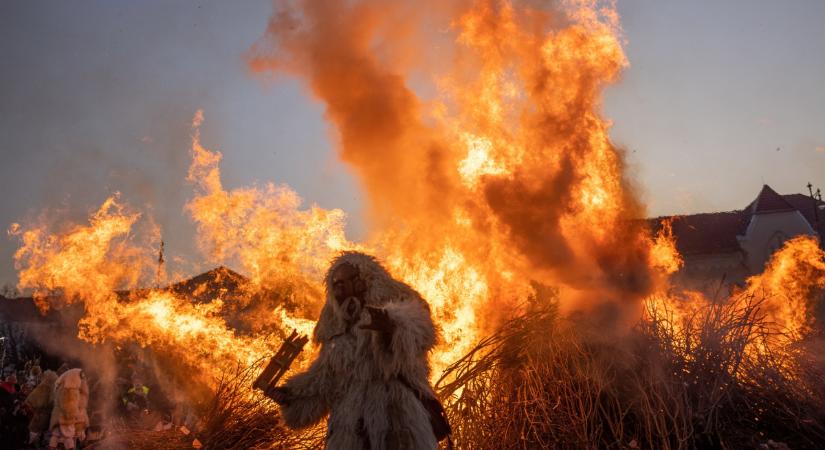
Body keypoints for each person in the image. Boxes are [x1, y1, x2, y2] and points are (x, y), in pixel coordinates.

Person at [271, 251, 444, 449]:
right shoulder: (335, 336)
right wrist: (292, 396)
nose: (347, 289)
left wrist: (392, 326)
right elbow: (324, 381)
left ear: (368, 279)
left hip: (398, 421)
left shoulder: (398, 303)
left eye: (353, 280)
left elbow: (420, 334)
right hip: (349, 430)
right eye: (339, 285)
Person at [49, 368, 89, 450]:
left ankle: (52, 447)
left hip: (58, 417)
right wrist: (77, 419)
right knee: (68, 437)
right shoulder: (71, 390)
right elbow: (70, 408)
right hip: (66, 419)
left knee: (56, 435)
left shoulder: (61, 387)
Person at [24, 370, 58, 446]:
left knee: (36, 430)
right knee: (39, 431)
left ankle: (31, 444)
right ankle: (33, 444)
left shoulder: (44, 388)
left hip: (42, 414)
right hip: (45, 414)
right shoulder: (52, 389)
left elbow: (33, 401)